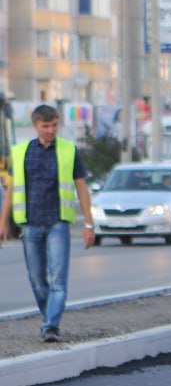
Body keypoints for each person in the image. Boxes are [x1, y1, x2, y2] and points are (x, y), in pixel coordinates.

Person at [0, 104, 96, 342]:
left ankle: (51, 325)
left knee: (58, 280)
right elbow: (10, 190)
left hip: (57, 223)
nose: (51, 130)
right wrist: (2, 222)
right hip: (30, 225)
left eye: (54, 125)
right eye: (46, 126)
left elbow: (82, 188)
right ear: (35, 126)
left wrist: (89, 225)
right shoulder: (21, 152)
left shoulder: (69, 150)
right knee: (36, 279)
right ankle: (49, 319)